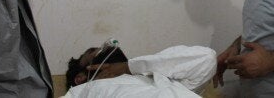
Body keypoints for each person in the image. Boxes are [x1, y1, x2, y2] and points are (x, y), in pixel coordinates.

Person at [63, 45, 216, 98]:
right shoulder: (83, 92)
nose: (104, 47)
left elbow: (206, 59)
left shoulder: (156, 76)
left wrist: (128, 67)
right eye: (95, 51)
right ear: (80, 78)